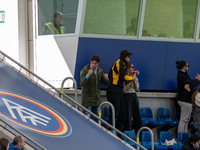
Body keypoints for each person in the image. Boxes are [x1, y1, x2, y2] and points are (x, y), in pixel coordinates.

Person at [106, 50, 134, 135]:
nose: (129, 59)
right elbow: (123, 77)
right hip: (114, 90)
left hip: (119, 90)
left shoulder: (123, 64)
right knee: (115, 113)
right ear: (126, 57)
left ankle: (118, 132)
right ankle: (110, 131)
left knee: (123, 114)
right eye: (129, 57)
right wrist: (131, 78)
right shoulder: (119, 63)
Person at [80, 55, 109, 122]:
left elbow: (105, 83)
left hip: (97, 99)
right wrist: (88, 75)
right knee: (87, 116)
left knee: (98, 117)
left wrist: (107, 79)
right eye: (92, 63)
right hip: (87, 99)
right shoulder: (85, 70)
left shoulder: (100, 70)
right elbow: (82, 83)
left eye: (95, 63)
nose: (93, 65)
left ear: (98, 63)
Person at [176, 60, 200, 132]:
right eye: (187, 66)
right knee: (184, 119)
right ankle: (181, 135)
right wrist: (198, 80)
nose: (188, 68)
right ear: (184, 67)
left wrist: (192, 85)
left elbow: (191, 84)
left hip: (186, 100)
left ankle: (184, 134)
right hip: (184, 100)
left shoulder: (185, 75)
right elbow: (192, 83)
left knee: (186, 120)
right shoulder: (182, 76)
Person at [123, 62, 143, 134]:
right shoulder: (124, 76)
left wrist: (134, 80)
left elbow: (137, 88)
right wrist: (129, 82)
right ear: (128, 68)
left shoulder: (134, 76)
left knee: (137, 115)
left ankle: (139, 133)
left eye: (133, 67)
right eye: (131, 67)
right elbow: (123, 90)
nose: (133, 69)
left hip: (134, 95)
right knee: (128, 115)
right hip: (127, 96)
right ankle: (128, 132)